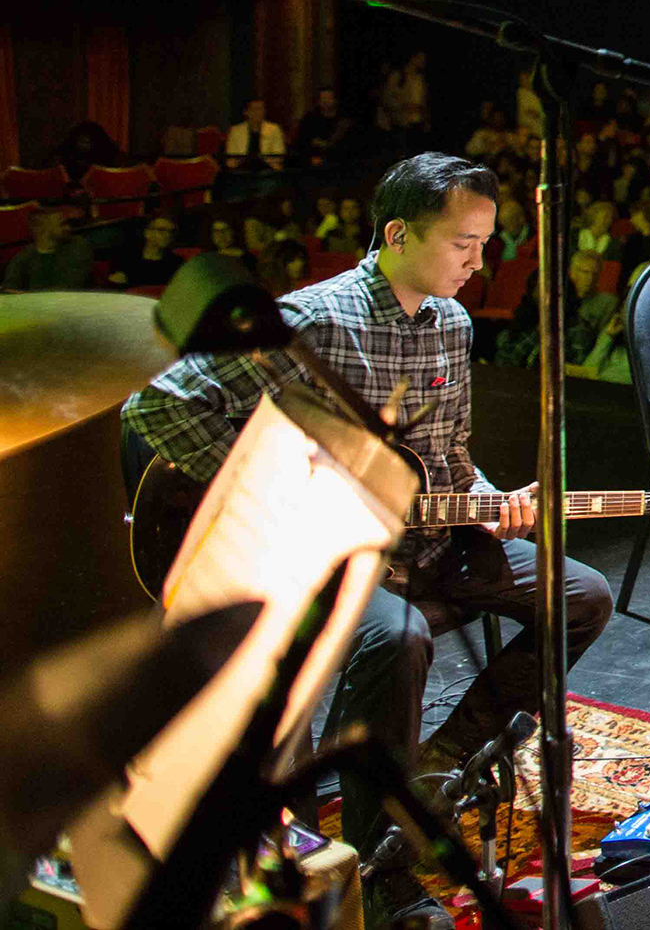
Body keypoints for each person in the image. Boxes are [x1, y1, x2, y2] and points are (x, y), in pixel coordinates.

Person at [122, 153, 612, 930]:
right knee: (399, 638)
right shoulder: (315, 318)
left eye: (485, 243)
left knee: (581, 592)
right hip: (323, 558)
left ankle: (436, 764)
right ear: (396, 234)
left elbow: (447, 461)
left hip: (422, 541)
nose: (480, 262)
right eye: (463, 243)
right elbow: (154, 406)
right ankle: (375, 862)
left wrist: (485, 499)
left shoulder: (451, 323)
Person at [4, 208, 95, 291]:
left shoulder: (78, 246)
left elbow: (71, 286)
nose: (68, 228)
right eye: (62, 224)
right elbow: (10, 289)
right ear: (42, 227)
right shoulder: (23, 258)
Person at [110, 215, 185, 288]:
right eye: (161, 230)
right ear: (147, 233)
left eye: (171, 232)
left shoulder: (176, 263)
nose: (167, 235)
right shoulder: (127, 257)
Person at [224, 97, 288, 174]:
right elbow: (231, 155)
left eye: (261, 109)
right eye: (255, 109)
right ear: (246, 112)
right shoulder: (236, 131)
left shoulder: (274, 129)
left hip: (268, 170)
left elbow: (279, 155)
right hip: (242, 170)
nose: (258, 112)